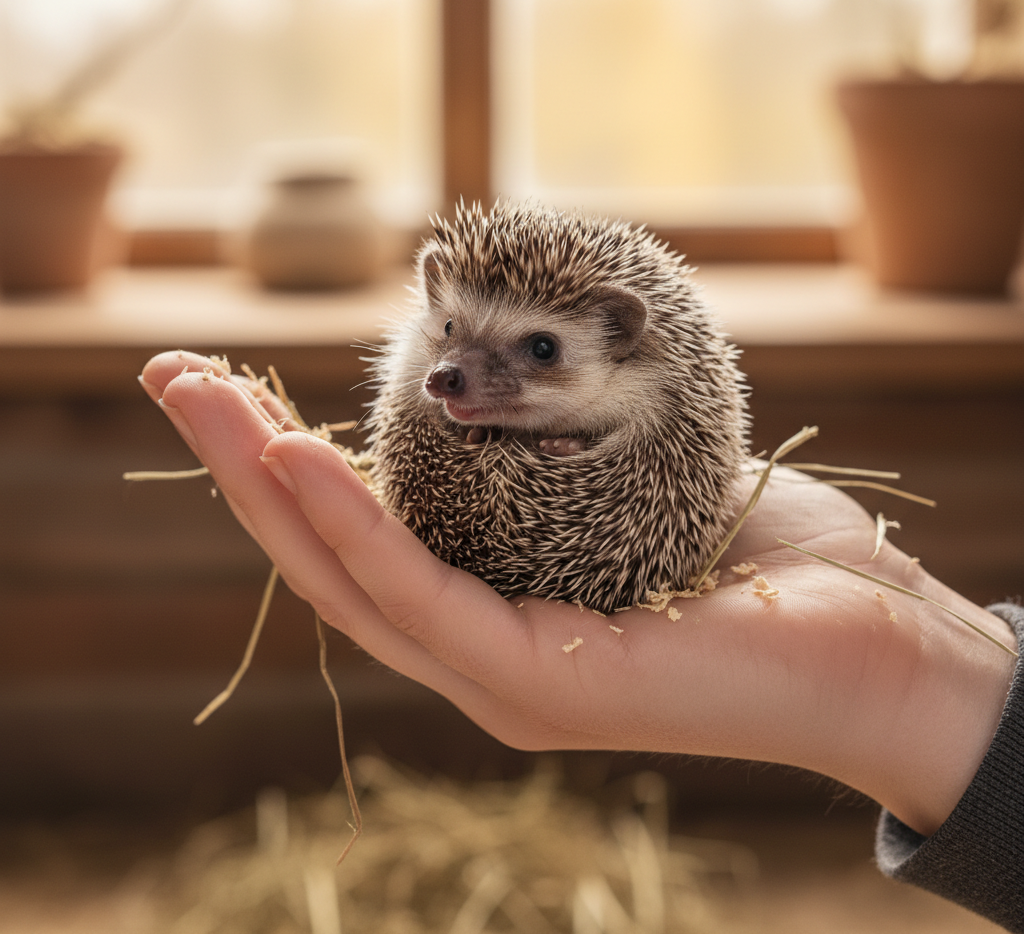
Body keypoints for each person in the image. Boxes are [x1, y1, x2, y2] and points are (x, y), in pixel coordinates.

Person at [140, 350, 1022, 931]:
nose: (453, 374)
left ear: (631, 346)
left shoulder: (661, 428)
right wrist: (923, 685)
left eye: (537, 352)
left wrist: (909, 677)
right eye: (450, 332)